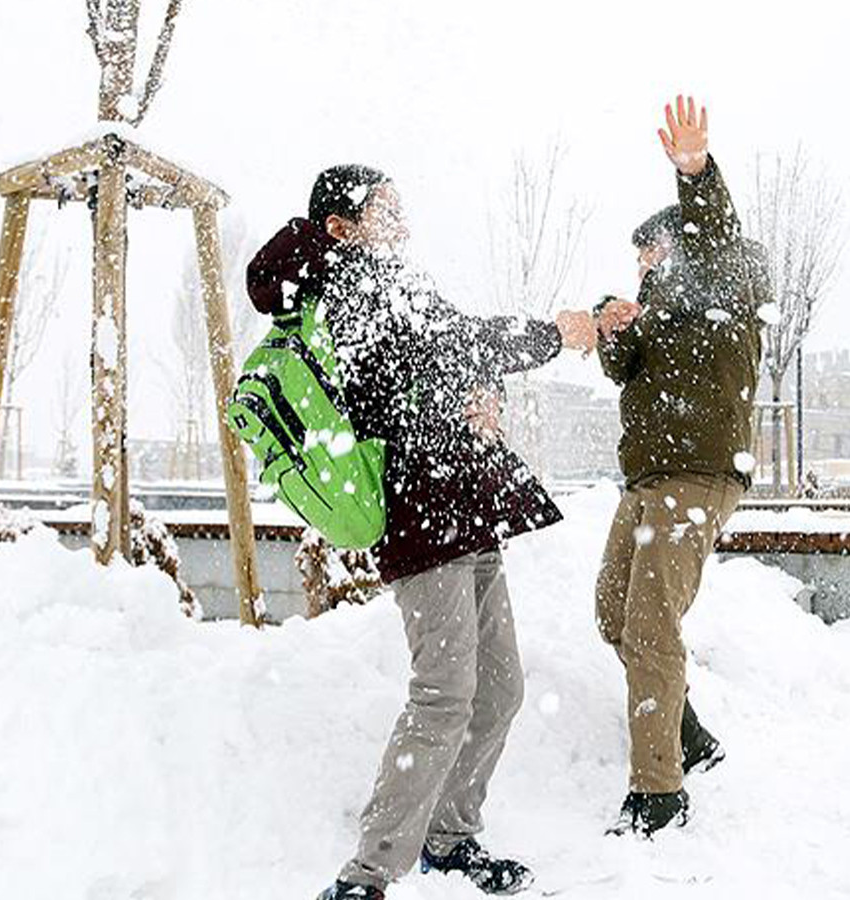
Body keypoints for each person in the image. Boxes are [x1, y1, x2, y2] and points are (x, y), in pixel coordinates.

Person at [244, 165, 598, 900]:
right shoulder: (347, 284)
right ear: (342, 225)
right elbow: (452, 343)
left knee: (500, 688)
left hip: (463, 507)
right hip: (418, 515)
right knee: (444, 693)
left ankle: (450, 838)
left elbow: (440, 363)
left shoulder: (390, 280)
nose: (402, 216)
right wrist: (551, 336)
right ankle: (367, 875)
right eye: (384, 206)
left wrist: (483, 394)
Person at [592, 95, 766, 837]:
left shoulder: (728, 281)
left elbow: (717, 235)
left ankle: (658, 793)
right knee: (613, 613)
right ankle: (688, 734)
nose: (644, 267)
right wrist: (610, 324)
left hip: (697, 477)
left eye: (651, 254)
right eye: (638, 262)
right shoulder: (657, 313)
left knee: (653, 626)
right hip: (649, 480)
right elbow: (620, 368)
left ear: (682, 245)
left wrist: (694, 171)